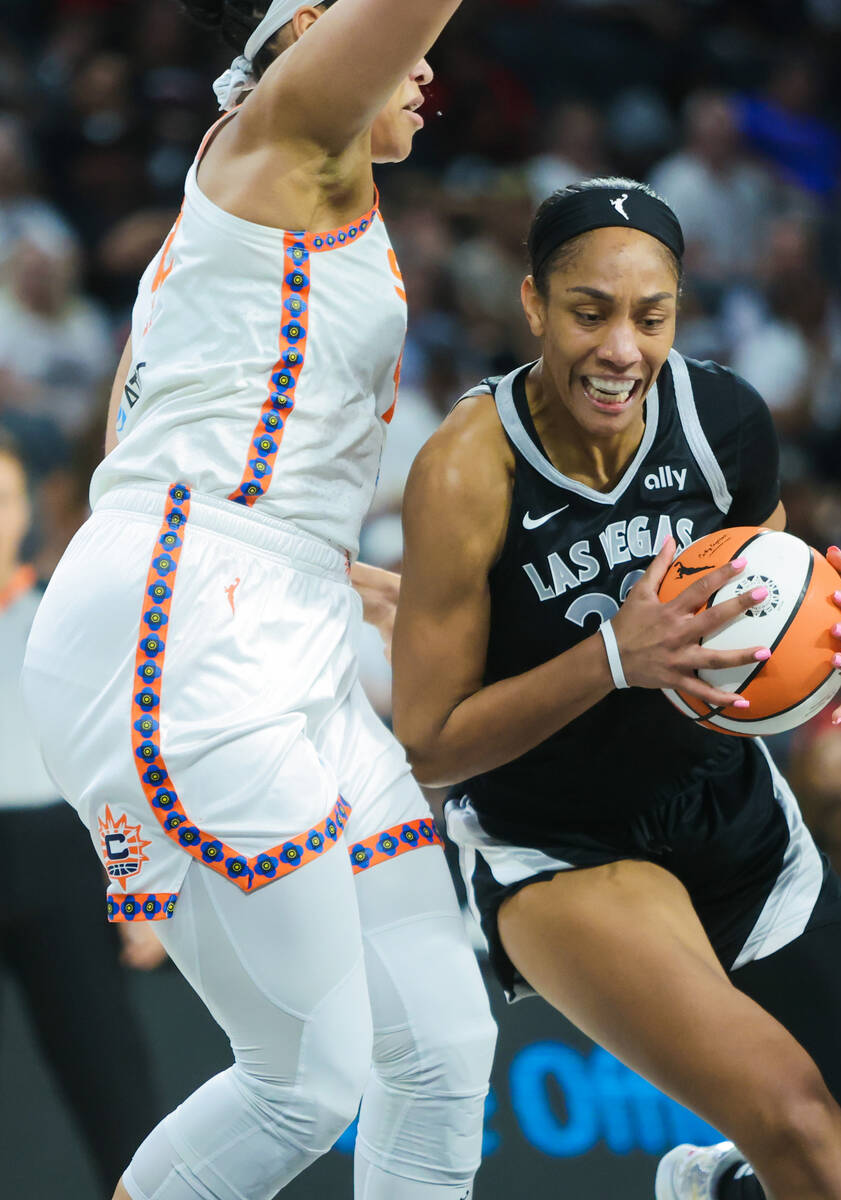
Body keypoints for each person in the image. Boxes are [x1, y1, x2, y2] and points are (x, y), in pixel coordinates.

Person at [392, 177, 841, 1200]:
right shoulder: (465, 472)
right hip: (561, 842)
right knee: (795, 1111)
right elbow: (429, 745)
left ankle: (724, 1192)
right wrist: (614, 656)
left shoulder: (724, 424)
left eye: (649, 317)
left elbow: (768, 606)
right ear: (533, 306)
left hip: (733, 814)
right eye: (588, 312)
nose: (620, 349)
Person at [20, 3, 496, 1199]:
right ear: (310, 39)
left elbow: (207, 445)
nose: (423, 65)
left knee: (442, 1049)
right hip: (186, 626)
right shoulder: (286, 138)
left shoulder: (289, 203)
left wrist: (335, 571)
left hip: (274, 606)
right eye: (394, 39)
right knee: (301, 1081)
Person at [0, 431, 166, 1193]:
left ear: (24, 509)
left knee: (115, 1091)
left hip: (63, 857)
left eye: (2, 499)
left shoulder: (64, 614)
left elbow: (119, 764)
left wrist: (141, 889)